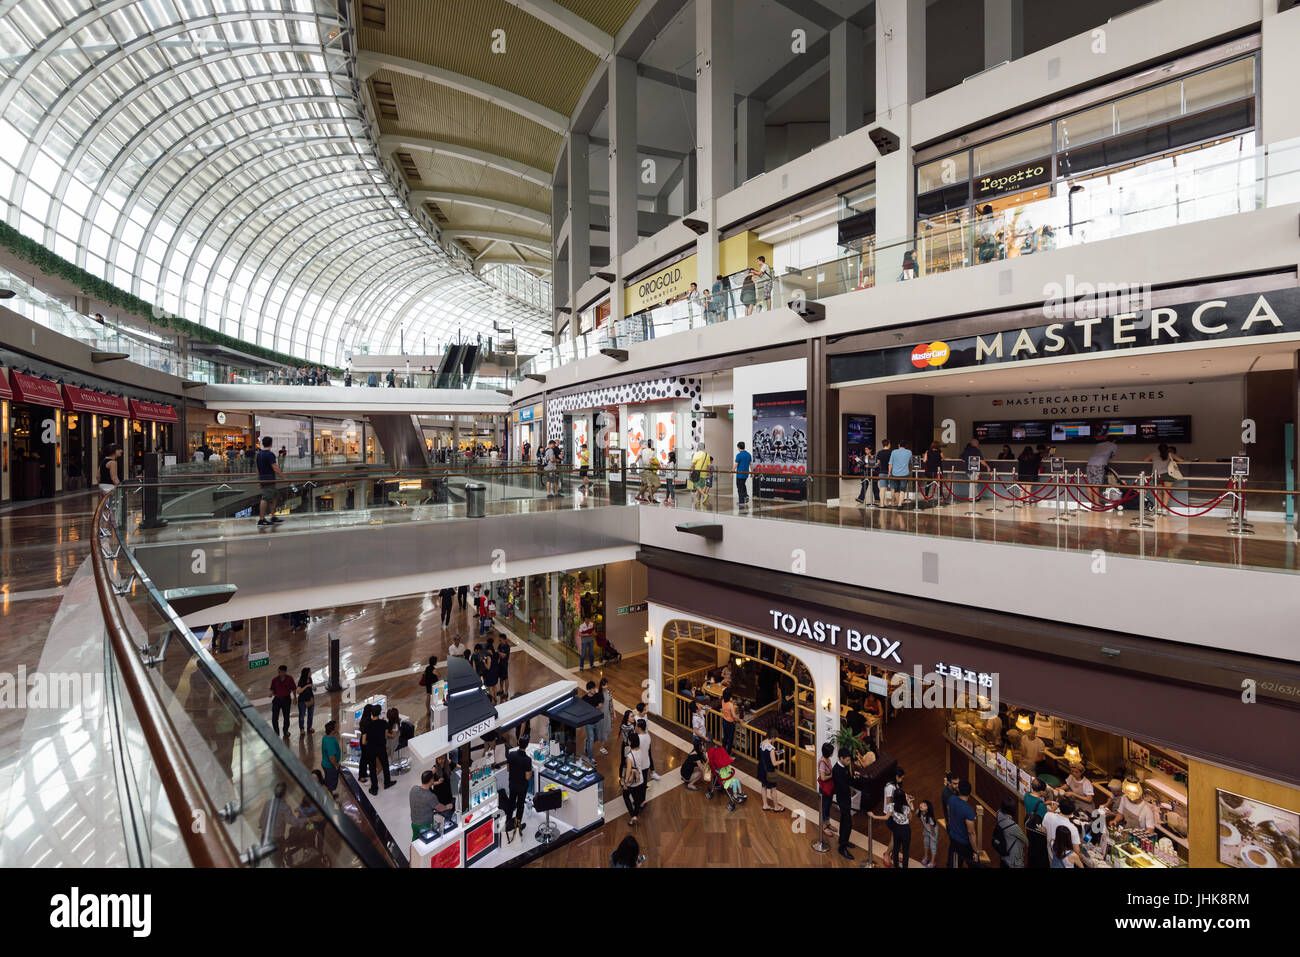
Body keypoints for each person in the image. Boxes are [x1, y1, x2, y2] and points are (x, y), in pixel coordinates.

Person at [362, 703, 395, 795]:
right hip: (381, 747)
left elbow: (363, 742)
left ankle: (374, 788)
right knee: (385, 765)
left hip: (371, 749)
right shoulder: (383, 723)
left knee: (372, 768)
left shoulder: (367, 725)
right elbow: (386, 735)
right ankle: (387, 783)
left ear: (371, 713)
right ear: (380, 713)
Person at [503, 737, 532, 841]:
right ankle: (517, 825)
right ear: (527, 745)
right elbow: (527, 777)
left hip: (512, 784)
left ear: (518, 743)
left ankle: (507, 822)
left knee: (511, 803)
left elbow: (508, 769)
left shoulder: (511, 755)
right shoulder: (527, 760)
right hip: (522, 786)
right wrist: (531, 770)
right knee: (520, 806)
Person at [946, 780, 977, 867]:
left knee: (953, 863)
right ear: (969, 793)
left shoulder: (951, 799)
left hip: (953, 838)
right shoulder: (968, 810)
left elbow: (949, 815)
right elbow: (971, 833)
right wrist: (975, 850)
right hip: (963, 842)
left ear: (958, 789)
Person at [255, 435, 285, 527]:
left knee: (275, 495)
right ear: (271, 444)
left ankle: (273, 516)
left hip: (264, 479)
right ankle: (261, 519)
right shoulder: (270, 454)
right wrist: (283, 477)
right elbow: (275, 467)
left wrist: (259, 480)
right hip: (269, 479)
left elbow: (257, 469)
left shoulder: (259, 454)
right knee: (265, 498)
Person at [1086, 424, 1120, 504]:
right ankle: (1097, 504)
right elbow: (1112, 456)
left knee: (1089, 484)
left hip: (1090, 464)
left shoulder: (1099, 444)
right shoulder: (1114, 445)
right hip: (1099, 465)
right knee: (1096, 485)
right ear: (1114, 440)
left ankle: (1091, 504)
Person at [622, 730, 650, 824]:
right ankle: (636, 814)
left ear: (630, 742)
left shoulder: (630, 756)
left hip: (632, 781)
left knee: (626, 796)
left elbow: (629, 769)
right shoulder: (640, 751)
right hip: (640, 778)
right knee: (637, 799)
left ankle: (633, 815)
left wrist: (625, 782)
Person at [832, 748, 855, 859]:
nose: (848, 762)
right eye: (847, 760)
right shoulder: (836, 770)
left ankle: (843, 840)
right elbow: (841, 786)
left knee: (845, 821)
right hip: (842, 799)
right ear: (841, 758)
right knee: (847, 823)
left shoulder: (845, 767)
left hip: (847, 798)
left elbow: (849, 780)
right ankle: (842, 847)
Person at [758, 728, 785, 812]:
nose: (775, 740)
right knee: (773, 789)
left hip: (762, 769)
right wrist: (781, 761)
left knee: (763, 786)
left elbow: (765, 756)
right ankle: (776, 807)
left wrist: (775, 753)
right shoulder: (772, 748)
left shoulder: (762, 743)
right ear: (772, 737)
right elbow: (774, 763)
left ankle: (765, 805)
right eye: (775, 738)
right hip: (770, 771)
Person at [410, 769, 442, 840]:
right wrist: (447, 806)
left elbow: (428, 783)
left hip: (414, 823)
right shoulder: (430, 796)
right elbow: (439, 808)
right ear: (431, 780)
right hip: (425, 825)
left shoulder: (414, 789)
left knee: (415, 839)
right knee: (426, 841)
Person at [995, 797, 1027, 868]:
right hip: (1013, 859)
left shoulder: (998, 814)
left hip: (1003, 853)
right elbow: (1025, 840)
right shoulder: (1013, 826)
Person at [958, 438, 990, 503]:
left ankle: (976, 497)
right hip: (975, 469)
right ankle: (971, 497)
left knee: (974, 483)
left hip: (968, 469)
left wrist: (968, 462)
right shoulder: (977, 451)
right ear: (976, 443)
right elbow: (981, 461)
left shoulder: (966, 450)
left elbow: (962, 459)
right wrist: (987, 466)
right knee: (973, 483)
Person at [269, 665, 295, 738]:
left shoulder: (290, 679)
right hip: (277, 700)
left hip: (286, 699)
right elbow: (272, 689)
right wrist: (271, 693)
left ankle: (285, 731)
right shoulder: (274, 680)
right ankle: (276, 733)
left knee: (286, 717)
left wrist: (295, 698)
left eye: (280, 672)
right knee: (274, 718)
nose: (279, 673)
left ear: (285, 672)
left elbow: (293, 688)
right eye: (278, 671)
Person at [887, 439, 913, 507]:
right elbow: (910, 463)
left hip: (895, 474)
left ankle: (898, 502)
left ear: (899, 445)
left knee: (896, 490)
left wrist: (889, 472)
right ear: (906, 446)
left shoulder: (894, 452)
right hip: (905, 474)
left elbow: (890, 463)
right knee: (902, 490)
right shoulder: (909, 452)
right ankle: (900, 504)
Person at [582, 681, 603, 759]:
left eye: (595, 688)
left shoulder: (597, 695)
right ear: (589, 690)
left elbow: (600, 706)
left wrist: (591, 709)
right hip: (589, 723)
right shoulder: (584, 699)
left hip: (597, 721)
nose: (595, 690)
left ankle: (587, 742)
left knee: (597, 737)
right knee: (591, 740)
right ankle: (590, 758)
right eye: (593, 688)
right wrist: (594, 708)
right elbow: (584, 711)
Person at [320, 721, 341, 795]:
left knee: (327, 779)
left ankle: (328, 793)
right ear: (332, 730)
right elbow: (331, 757)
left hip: (325, 764)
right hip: (330, 766)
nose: (337, 727)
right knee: (331, 783)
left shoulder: (326, 737)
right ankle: (330, 796)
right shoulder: (331, 742)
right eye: (336, 727)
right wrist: (336, 765)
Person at [917, 799, 940, 868]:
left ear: (927, 809)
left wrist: (934, 837)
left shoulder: (930, 818)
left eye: (924, 805)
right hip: (926, 830)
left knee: (933, 846)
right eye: (921, 803)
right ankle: (926, 857)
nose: (921, 805)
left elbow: (932, 828)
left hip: (933, 831)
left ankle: (932, 862)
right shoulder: (919, 812)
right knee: (926, 843)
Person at [295, 666, 315, 736]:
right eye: (310, 672)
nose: (311, 673)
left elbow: (311, 686)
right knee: (302, 716)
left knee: (311, 715)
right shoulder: (301, 681)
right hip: (302, 701)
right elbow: (298, 691)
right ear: (306, 673)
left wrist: (313, 687)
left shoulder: (310, 679)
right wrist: (306, 686)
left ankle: (309, 727)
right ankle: (302, 729)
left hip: (310, 699)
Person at [733, 441, 752, 507]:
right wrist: (752, 472)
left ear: (738, 447)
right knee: (743, 485)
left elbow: (736, 464)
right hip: (746, 474)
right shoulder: (749, 454)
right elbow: (751, 464)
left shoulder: (739, 455)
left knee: (739, 487)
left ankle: (741, 501)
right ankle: (746, 495)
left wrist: (732, 472)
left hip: (740, 474)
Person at [719, 689, 738, 754]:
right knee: (730, 739)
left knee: (725, 737)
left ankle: (722, 750)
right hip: (730, 723)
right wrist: (739, 720)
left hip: (724, 720)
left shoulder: (723, 701)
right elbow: (734, 716)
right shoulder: (730, 704)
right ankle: (728, 754)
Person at [421, 654, 439, 718]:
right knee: (434, 697)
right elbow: (439, 675)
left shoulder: (427, 668)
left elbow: (424, 674)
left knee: (428, 697)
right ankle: (434, 709)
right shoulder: (434, 669)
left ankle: (428, 710)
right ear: (434, 662)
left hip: (428, 684)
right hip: (433, 685)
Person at [496, 635, 512, 702]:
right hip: (500, 663)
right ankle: (501, 690)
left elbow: (504, 655)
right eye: (499, 640)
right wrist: (500, 654)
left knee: (505, 678)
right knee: (501, 678)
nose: (500, 641)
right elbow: (500, 654)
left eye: (501, 640)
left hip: (505, 664)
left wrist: (499, 653)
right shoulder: (500, 645)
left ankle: (506, 692)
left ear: (505, 639)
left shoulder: (507, 646)